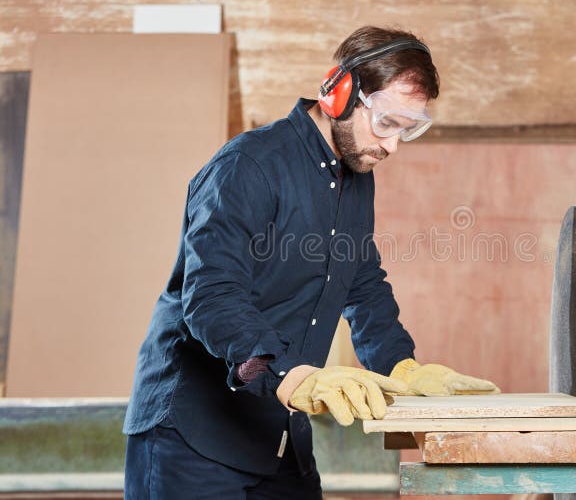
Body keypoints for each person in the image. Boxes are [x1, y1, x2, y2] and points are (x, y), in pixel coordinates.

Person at [123, 25, 499, 499]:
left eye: (409, 130)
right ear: (338, 93)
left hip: (279, 438)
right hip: (193, 439)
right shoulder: (248, 166)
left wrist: (401, 366)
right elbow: (212, 297)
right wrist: (289, 373)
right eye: (386, 123)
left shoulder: (356, 176)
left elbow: (362, 285)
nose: (392, 146)